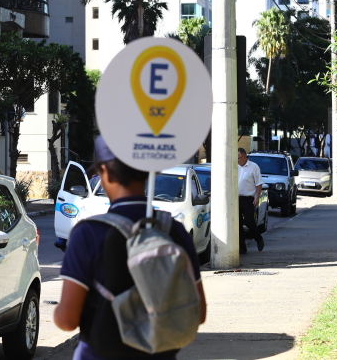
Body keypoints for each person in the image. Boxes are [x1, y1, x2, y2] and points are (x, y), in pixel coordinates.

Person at [54, 137, 207, 360]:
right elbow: (199, 313)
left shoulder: (87, 233)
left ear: (104, 170)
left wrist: (57, 313)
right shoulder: (173, 230)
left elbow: (67, 320)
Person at [237, 148, 264, 253]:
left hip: (248, 199)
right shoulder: (234, 166)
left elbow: (259, 183)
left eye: (238, 158)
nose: (237, 160)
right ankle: (242, 248)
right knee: (237, 224)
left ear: (244, 156)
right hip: (235, 199)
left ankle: (258, 238)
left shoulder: (253, 167)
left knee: (249, 221)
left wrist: (257, 197)